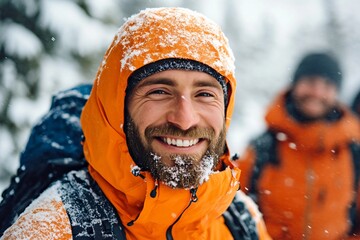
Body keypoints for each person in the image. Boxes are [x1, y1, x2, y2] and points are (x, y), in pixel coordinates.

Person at [0, 7, 271, 240]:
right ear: (119, 109)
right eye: (159, 92)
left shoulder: (239, 218)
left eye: (205, 94)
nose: (185, 119)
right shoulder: (52, 229)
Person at [235, 52, 360, 239]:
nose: (317, 93)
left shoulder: (352, 151)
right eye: (310, 82)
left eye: (326, 85)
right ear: (295, 84)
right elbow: (234, 212)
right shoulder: (263, 148)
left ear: (336, 93)